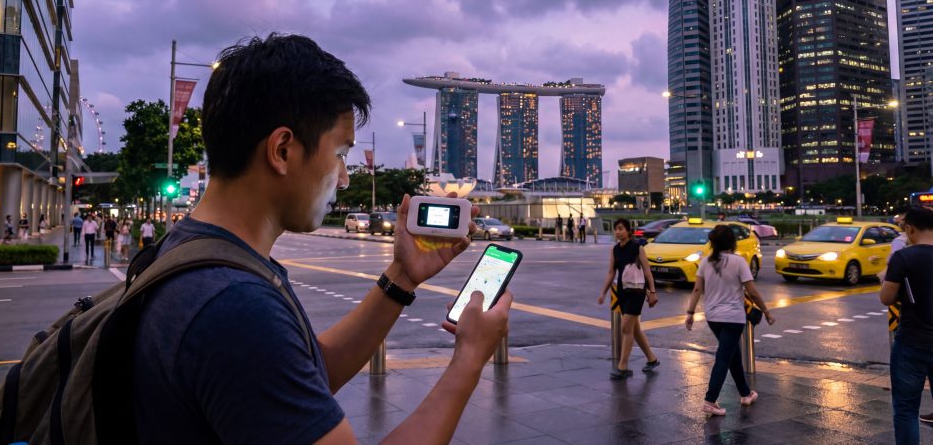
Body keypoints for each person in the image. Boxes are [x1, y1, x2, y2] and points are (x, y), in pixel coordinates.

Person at [128, 33, 513, 443]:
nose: (345, 179)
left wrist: (401, 277)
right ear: (282, 151)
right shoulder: (234, 306)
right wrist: (469, 359)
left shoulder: (190, 252)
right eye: (341, 154)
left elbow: (303, 376)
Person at [685, 225, 775, 416]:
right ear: (731, 242)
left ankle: (745, 393)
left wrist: (690, 312)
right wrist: (766, 311)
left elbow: (696, 290)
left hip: (713, 317)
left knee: (733, 354)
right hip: (733, 317)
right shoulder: (738, 262)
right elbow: (752, 291)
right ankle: (710, 400)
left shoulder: (705, 262)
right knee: (724, 357)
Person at [881, 207, 933, 442]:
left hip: (913, 340)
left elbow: (887, 298)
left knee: (906, 409)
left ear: (910, 228)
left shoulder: (904, 257)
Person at [597, 218, 659, 379]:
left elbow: (647, 271)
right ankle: (652, 359)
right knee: (634, 329)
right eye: (616, 229)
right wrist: (603, 292)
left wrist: (652, 292)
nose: (617, 232)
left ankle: (622, 366)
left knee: (626, 327)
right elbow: (611, 272)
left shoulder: (638, 248)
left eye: (620, 229)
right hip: (623, 292)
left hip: (637, 293)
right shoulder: (615, 249)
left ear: (628, 231)